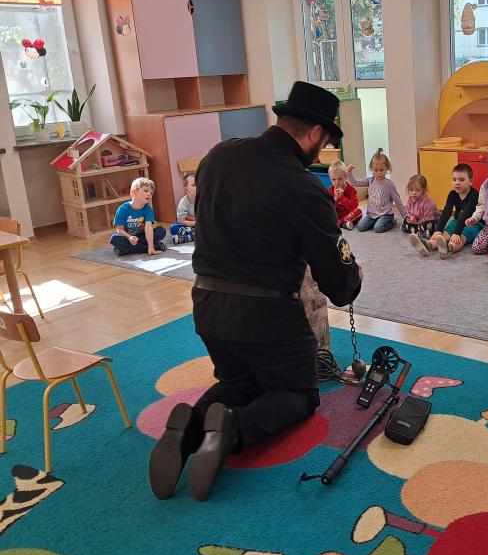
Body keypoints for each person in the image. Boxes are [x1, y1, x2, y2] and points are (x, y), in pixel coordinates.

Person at [148, 81, 362, 502]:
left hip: (208, 306)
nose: (321, 153)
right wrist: (353, 274)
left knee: (243, 381)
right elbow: (338, 284)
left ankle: (190, 426)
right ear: (315, 133)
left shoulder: (217, 156)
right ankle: (232, 431)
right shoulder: (302, 187)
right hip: (268, 318)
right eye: (324, 144)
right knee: (298, 394)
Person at [410, 163, 479, 259]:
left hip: (473, 224)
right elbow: (446, 212)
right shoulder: (452, 194)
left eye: (461, 180)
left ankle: (448, 248)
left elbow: (465, 214)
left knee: (460, 238)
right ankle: (428, 245)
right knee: (445, 233)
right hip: (457, 220)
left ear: (470, 181)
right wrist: (438, 230)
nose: (457, 183)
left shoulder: (474, 195)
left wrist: (457, 233)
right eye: (454, 179)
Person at [347, 148, 407, 233]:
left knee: (378, 228)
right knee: (360, 227)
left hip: (385, 215)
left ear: (387, 168)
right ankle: (376, 222)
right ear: (372, 169)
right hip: (372, 215)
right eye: (376, 170)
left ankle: (392, 222)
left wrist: (405, 216)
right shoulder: (370, 180)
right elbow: (355, 183)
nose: (379, 173)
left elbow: (398, 201)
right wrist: (349, 173)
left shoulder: (389, 185)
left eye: (381, 170)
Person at [109, 177, 167, 256]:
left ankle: (126, 250)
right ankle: (153, 247)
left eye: (151, 193)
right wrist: (129, 237)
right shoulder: (122, 209)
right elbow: (120, 229)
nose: (149, 194)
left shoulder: (148, 209)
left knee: (161, 231)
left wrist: (151, 246)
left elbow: (148, 228)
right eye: (146, 191)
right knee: (114, 239)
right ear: (134, 192)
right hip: (128, 237)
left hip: (142, 236)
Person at [402, 174, 439, 239]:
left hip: (431, 221)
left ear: (424, 190)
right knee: (405, 220)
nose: (414, 193)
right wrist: (412, 218)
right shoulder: (409, 201)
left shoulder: (428, 203)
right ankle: (421, 232)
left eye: (417, 190)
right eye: (411, 190)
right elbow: (409, 213)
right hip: (418, 221)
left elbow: (428, 218)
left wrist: (416, 222)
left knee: (428, 225)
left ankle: (417, 230)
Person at [327, 160, 362, 230]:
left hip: (347, 215)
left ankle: (340, 223)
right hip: (335, 215)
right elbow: (329, 209)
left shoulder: (351, 190)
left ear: (345, 177)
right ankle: (342, 223)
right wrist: (335, 199)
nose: (337, 182)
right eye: (333, 179)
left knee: (358, 212)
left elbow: (353, 207)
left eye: (340, 179)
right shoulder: (330, 190)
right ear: (330, 179)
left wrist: (342, 197)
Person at [170, 173, 197, 244]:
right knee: (174, 228)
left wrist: (189, 217)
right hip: (190, 225)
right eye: (194, 185)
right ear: (186, 189)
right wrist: (196, 222)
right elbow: (181, 220)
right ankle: (194, 235)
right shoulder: (183, 201)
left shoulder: (205, 199)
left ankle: (188, 237)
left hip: (203, 225)